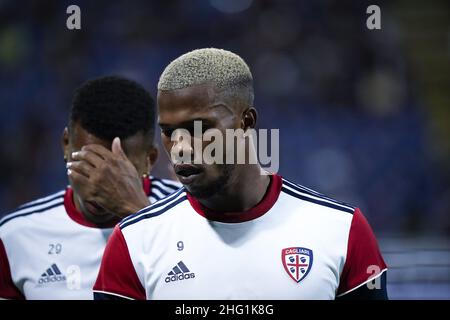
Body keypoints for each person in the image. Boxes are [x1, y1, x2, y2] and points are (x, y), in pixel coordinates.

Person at [93, 49, 388, 300]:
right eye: (169, 133)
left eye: (199, 128)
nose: (180, 147)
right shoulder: (132, 243)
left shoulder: (342, 230)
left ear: (246, 122)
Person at [0, 76, 180, 299]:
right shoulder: (14, 237)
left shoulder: (192, 214)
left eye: (118, 171)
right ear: (66, 145)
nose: (99, 185)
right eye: (88, 164)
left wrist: (136, 212)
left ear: (149, 160)